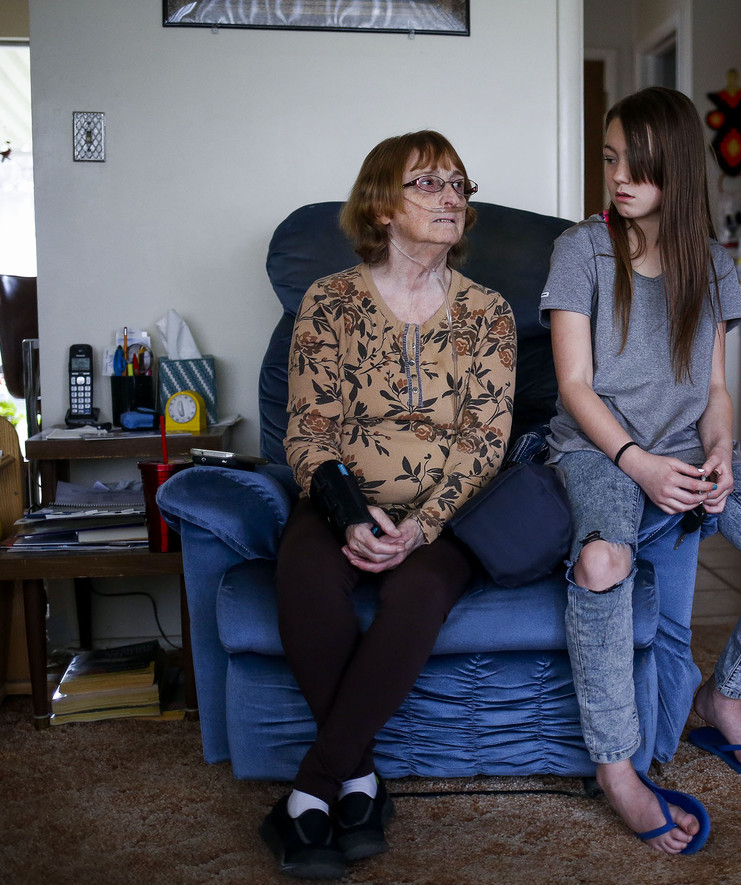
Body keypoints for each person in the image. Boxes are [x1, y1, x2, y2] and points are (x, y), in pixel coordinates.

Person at [542, 86, 741, 856]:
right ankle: (617, 771)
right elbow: (574, 385)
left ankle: (721, 696)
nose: (620, 175)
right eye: (610, 158)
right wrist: (638, 465)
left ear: (676, 168)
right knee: (604, 561)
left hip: (686, 447)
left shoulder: (712, 262)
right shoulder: (582, 250)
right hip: (600, 448)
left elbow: (713, 388)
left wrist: (719, 451)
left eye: (638, 162)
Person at [261, 131, 516, 879]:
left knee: (421, 592)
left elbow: (484, 441)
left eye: (459, 185)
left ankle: (311, 790)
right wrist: (349, 517)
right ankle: (364, 784)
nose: (451, 199)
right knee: (304, 573)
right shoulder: (330, 301)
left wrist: (420, 527)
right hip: (342, 500)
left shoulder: (489, 313)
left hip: (444, 514)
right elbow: (306, 431)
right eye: (429, 184)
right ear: (380, 206)